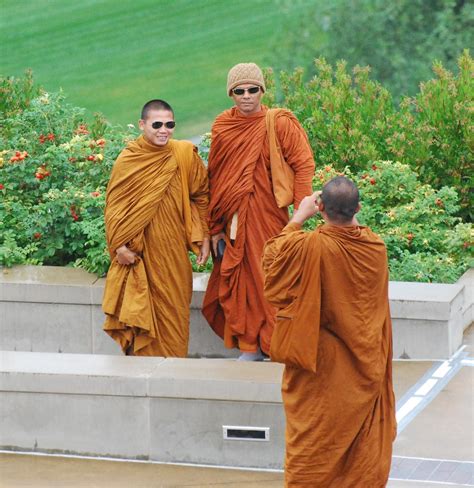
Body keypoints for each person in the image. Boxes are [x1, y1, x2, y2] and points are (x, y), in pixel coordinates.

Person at [262, 176, 396, 487]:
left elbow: (271, 265)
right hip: (362, 367)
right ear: (358, 208)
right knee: (359, 454)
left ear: (320, 207)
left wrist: (299, 217)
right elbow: (354, 233)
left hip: (319, 367)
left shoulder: (309, 246)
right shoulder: (375, 248)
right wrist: (341, 211)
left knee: (313, 448)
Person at [202, 62, 315, 361]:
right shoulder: (223, 126)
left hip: (269, 216)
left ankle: (275, 344)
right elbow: (215, 175)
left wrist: (299, 216)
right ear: (231, 94)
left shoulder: (279, 123)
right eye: (240, 91)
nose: (247, 96)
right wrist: (213, 226)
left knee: (271, 277)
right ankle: (251, 344)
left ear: (262, 91)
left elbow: (303, 165)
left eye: (253, 90)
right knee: (242, 281)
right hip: (233, 219)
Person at [102, 99, 210, 357]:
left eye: (169, 124)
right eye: (157, 124)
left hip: (173, 257)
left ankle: (172, 381)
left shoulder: (183, 154)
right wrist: (118, 247)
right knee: (139, 318)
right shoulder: (129, 160)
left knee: (174, 320)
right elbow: (114, 208)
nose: (164, 130)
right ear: (142, 125)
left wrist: (203, 235)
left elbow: (202, 195)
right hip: (140, 257)